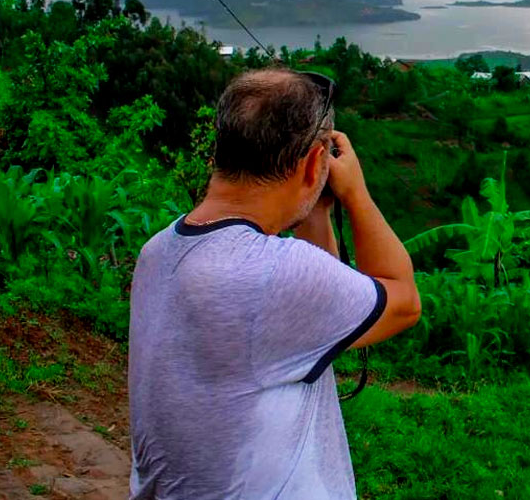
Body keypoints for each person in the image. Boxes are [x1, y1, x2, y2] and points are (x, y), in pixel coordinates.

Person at [128, 67, 422, 499]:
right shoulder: (272, 274)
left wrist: (316, 212)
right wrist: (355, 194)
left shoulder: (157, 253)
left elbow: (319, 309)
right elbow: (403, 300)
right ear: (310, 165)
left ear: (222, 152)